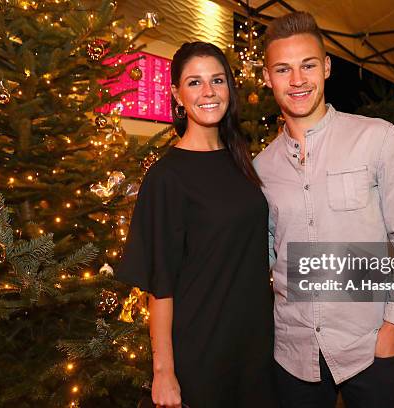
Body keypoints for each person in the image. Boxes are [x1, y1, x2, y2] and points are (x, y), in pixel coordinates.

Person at [253, 12, 394, 408]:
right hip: (292, 354)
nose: (297, 80)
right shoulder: (260, 168)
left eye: (308, 65)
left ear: (328, 67)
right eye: (283, 69)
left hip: (369, 346)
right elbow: (261, 256)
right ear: (267, 77)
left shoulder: (377, 138)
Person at [118, 42, 277, 408]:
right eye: (194, 82)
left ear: (229, 88)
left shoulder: (241, 160)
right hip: (202, 350)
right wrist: (163, 372)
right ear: (177, 94)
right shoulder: (166, 177)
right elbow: (161, 285)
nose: (208, 92)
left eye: (217, 80)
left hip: (255, 345)